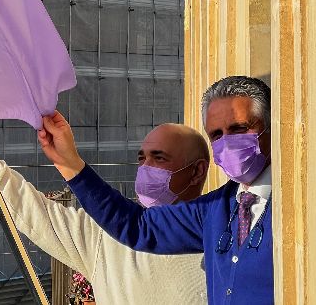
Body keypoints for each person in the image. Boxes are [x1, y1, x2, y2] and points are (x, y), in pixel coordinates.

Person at [37, 76, 274, 305]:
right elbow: (138, 226)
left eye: (239, 128)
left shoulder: (297, 202)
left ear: (271, 127)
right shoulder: (213, 209)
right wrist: (71, 165)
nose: (227, 142)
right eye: (216, 135)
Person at [0, 118, 209, 304]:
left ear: (197, 171)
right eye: (142, 159)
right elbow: (28, 210)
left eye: (160, 158)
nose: (145, 168)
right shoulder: (103, 235)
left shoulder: (224, 230)